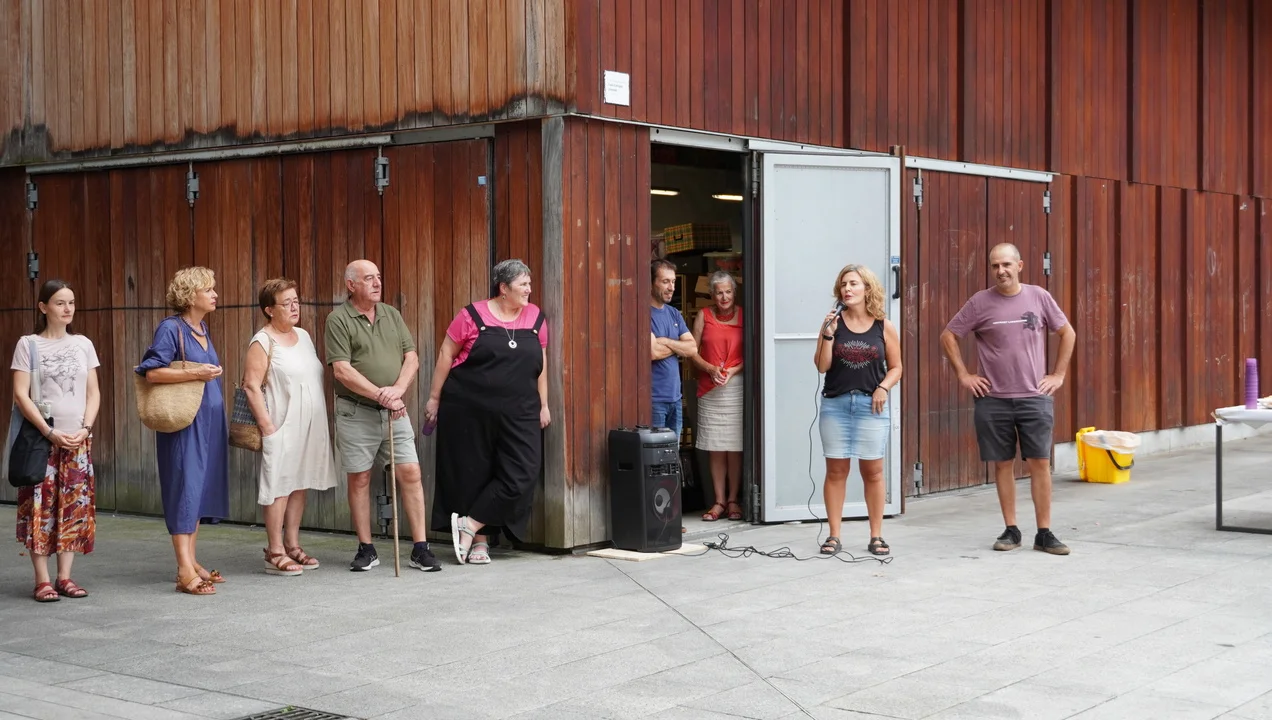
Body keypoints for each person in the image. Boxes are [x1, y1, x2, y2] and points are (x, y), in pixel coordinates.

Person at [940, 243, 1076, 555]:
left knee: (1040, 463)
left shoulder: (1039, 296)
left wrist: (1058, 375)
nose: (1001, 271)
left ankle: (1044, 533)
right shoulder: (979, 302)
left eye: (1006, 264)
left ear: (1019, 265)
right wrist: (964, 375)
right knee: (1003, 464)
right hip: (993, 399)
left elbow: (1067, 333)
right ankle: (1011, 530)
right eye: (995, 266)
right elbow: (948, 335)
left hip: (1034, 396)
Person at [425, 259, 551, 565]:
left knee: (523, 472)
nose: (529, 290)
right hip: (468, 407)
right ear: (503, 288)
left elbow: (542, 364)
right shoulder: (470, 316)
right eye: (523, 284)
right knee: (475, 471)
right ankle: (480, 542)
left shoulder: (536, 317)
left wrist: (544, 404)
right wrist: (433, 398)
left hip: (521, 411)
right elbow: (446, 353)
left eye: (529, 284)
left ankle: (470, 523)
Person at [325, 259, 441, 572]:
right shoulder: (338, 319)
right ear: (351, 285)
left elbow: (411, 358)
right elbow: (342, 370)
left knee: (411, 472)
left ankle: (420, 548)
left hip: (394, 409)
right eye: (368, 278)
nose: (377, 283)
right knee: (360, 477)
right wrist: (382, 395)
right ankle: (367, 549)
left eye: (378, 277)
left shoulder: (391, 314)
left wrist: (397, 391)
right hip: (356, 411)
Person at [136, 266, 230, 595]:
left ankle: (191, 560)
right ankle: (184, 570)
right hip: (184, 423)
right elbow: (151, 373)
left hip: (209, 423)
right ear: (191, 296)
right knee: (184, 488)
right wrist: (197, 373)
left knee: (198, 489)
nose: (215, 294)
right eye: (208, 289)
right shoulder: (170, 329)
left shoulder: (202, 328)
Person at [242, 278, 339, 576]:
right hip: (281, 423)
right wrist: (268, 427)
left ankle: (292, 544)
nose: (295, 307)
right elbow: (251, 386)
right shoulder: (262, 341)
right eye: (287, 303)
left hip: (309, 424)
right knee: (279, 486)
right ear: (270, 310)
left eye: (296, 301)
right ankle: (274, 551)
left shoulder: (304, 336)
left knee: (299, 482)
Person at [11, 280, 100, 602]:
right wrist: (49, 432)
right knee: (40, 507)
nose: (67, 309)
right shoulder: (29, 344)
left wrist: (86, 429)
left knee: (73, 507)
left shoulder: (83, 344)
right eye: (60, 302)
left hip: (76, 440)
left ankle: (65, 577)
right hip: (42, 440)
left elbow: (93, 392)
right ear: (43, 307)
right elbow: (21, 394)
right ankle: (42, 580)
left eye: (71, 302)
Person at [814, 264, 902, 556]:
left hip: (870, 406)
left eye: (853, 283)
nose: (847, 289)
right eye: (843, 284)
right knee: (836, 471)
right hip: (836, 404)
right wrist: (828, 335)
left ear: (867, 288)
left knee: (873, 471)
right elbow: (822, 366)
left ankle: (876, 536)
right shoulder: (832, 323)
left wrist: (883, 387)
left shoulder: (883, 325)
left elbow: (897, 367)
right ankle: (834, 535)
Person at [689, 271, 744, 522]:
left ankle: (733, 500)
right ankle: (719, 501)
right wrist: (711, 369)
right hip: (710, 387)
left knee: (734, 447)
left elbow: (753, 351)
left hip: (736, 385)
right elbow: (691, 351)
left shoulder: (744, 315)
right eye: (719, 292)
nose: (724, 297)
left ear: (734, 293)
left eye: (728, 292)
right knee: (715, 447)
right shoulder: (703, 315)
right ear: (712, 294)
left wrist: (733, 370)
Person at [650, 259, 696, 441]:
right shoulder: (642, 313)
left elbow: (692, 348)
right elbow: (653, 352)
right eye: (665, 281)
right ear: (651, 282)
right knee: (656, 453)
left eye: (673, 281)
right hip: (654, 400)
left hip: (675, 399)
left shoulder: (674, 313)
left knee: (672, 454)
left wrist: (666, 342)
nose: (671, 288)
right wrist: (678, 346)